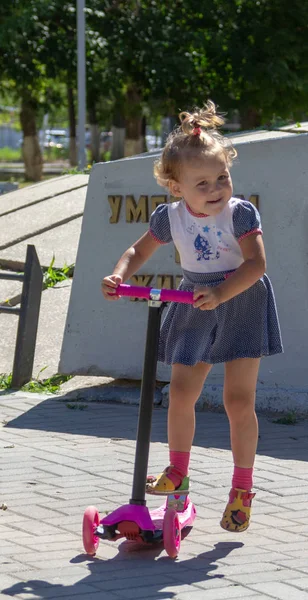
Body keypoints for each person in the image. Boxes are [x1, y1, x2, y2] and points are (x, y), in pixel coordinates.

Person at [102, 100, 283, 533]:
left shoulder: (240, 213)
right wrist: (119, 274)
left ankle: (242, 488)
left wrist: (220, 293)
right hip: (193, 302)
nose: (217, 187)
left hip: (239, 297)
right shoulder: (170, 217)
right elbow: (138, 250)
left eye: (222, 176)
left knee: (237, 400)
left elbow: (256, 265)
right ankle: (178, 470)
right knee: (180, 393)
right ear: (176, 186)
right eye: (203, 182)